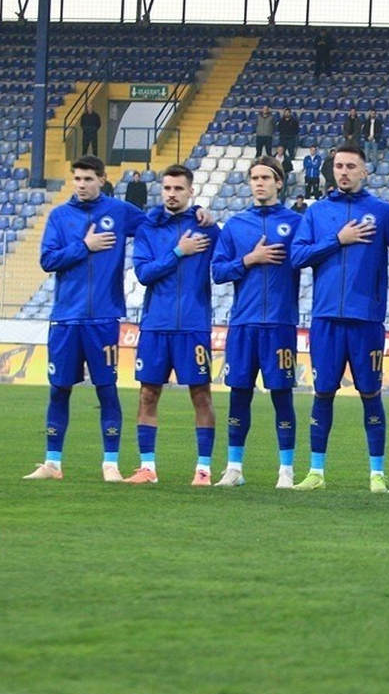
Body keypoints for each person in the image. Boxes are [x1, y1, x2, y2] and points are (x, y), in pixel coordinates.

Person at [25, 155, 146, 483]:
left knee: (106, 389)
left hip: (103, 318)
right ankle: (52, 463)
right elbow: (48, 260)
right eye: (77, 179)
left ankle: (110, 464)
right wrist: (84, 245)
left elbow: (155, 223)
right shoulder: (60, 216)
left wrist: (198, 216)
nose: (81, 185)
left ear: (102, 180)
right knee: (59, 390)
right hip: (65, 318)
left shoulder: (119, 212)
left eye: (88, 179)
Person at [290, 145, 389, 493]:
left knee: (371, 393)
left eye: (352, 166)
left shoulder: (381, 212)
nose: (344, 171)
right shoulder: (317, 212)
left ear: (365, 171)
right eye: (339, 166)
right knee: (322, 393)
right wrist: (337, 240)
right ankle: (316, 471)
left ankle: (377, 474)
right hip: (325, 318)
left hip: (366, 319)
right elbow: (297, 256)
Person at [124, 164, 219, 487]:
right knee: (148, 394)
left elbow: (223, 263)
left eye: (179, 188)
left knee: (201, 395)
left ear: (191, 192)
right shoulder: (148, 228)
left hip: (194, 325)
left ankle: (203, 470)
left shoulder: (206, 227)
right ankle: (147, 468)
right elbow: (144, 274)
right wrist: (180, 251)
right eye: (167, 188)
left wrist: (211, 219)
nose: (172, 194)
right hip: (155, 324)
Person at [210, 156, 302, 489]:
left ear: (279, 182)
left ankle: (286, 471)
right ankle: (234, 467)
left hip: (280, 324)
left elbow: (309, 257)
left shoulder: (295, 223)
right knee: (239, 394)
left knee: (282, 395)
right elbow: (218, 272)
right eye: (254, 177)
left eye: (266, 177)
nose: (259, 182)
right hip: (244, 324)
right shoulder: (235, 225)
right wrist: (250, 259)